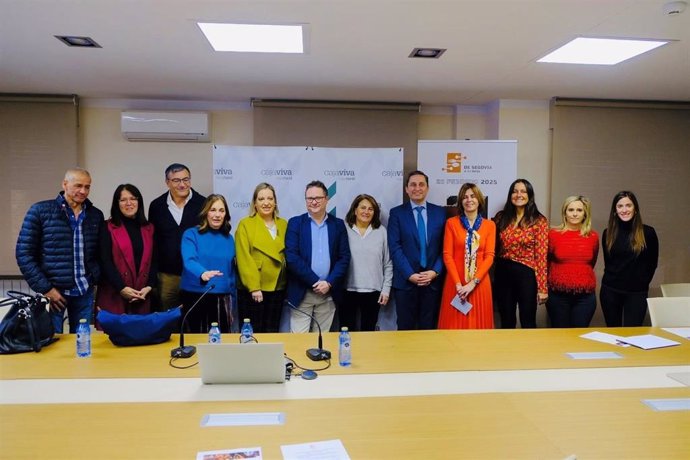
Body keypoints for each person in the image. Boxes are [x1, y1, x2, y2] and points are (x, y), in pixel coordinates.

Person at [15, 168, 104, 333]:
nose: (83, 191)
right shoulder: (40, 211)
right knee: (52, 342)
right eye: (78, 185)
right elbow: (24, 254)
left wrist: (95, 278)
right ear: (64, 184)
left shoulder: (95, 215)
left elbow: (99, 252)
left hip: (84, 291)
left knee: (82, 343)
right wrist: (46, 288)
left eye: (87, 187)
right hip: (53, 292)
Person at [285, 181, 350, 333]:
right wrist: (315, 282)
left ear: (327, 199)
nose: (314, 202)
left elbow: (344, 258)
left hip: (328, 293)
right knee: (299, 341)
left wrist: (329, 283)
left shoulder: (338, 225)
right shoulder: (295, 223)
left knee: (322, 341)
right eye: (310, 198)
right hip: (302, 293)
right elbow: (292, 258)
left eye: (318, 198)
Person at [387, 170, 445, 330]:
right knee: (405, 329)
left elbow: (444, 247)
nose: (417, 188)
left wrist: (435, 271)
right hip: (406, 283)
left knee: (429, 329)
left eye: (421, 184)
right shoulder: (396, 213)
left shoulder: (440, 213)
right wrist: (409, 274)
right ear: (406, 189)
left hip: (432, 283)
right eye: (413, 184)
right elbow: (395, 247)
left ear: (427, 188)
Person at [148, 163, 206, 310]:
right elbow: (153, 242)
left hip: (196, 274)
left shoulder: (203, 203)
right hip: (167, 276)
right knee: (168, 319)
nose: (182, 184)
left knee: (195, 318)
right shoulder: (156, 206)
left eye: (186, 179)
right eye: (176, 180)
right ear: (167, 182)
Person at [438, 183, 496, 329]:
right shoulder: (451, 223)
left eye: (472, 196)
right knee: (453, 327)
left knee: (479, 327)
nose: (469, 200)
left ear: (479, 200)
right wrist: (459, 284)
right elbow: (447, 255)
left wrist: (472, 284)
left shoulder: (490, 225)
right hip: (455, 284)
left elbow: (489, 256)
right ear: (460, 201)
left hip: (479, 284)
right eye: (465, 197)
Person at [493, 178, 548, 329]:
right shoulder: (501, 217)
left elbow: (541, 255)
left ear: (529, 195)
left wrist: (543, 288)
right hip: (503, 272)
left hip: (526, 274)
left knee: (528, 320)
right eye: (515, 191)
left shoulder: (539, 220)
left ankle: (528, 352)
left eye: (523, 191)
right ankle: (507, 352)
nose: (519, 194)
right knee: (506, 320)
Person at [96, 184, 157, 320]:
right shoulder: (107, 227)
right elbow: (105, 261)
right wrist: (122, 288)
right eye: (123, 200)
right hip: (115, 292)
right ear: (116, 203)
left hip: (142, 294)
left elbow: (154, 260)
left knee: (141, 335)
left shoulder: (149, 228)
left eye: (133, 198)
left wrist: (149, 286)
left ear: (139, 201)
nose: (129, 203)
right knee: (112, 337)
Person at [600, 191, 658, 327]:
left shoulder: (648, 233)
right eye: (620, 206)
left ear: (635, 209)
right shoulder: (607, 233)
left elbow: (652, 264)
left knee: (633, 334)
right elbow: (609, 263)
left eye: (628, 205)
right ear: (615, 210)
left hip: (636, 293)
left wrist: (641, 282)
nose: (624, 210)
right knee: (613, 333)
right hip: (610, 291)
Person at [235, 183, 287, 333]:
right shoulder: (246, 224)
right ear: (255, 203)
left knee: (272, 331)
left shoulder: (283, 224)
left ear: (275, 202)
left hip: (278, 287)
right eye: (261, 198)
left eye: (270, 198)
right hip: (253, 289)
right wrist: (254, 287)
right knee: (252, 332)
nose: (266, 202)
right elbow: (244, 258)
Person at [179, 194, 236, 333]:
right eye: (213, 210)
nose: (217, 215)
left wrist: (232, 302)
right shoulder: (191, 234)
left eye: (221, 211)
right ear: (205, 212)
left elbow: (231, 272)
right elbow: (189, 260)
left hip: (223, 299)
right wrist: (202, 273)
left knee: (221, 342)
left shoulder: (229, 239)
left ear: (225, 215)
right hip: (196, 295)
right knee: (196, 340)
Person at [342, 194, 393, 331]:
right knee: (347, 333)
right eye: (363, 207)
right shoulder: (344, 229)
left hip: (373, 291)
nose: (366, 211)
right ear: (355, 210)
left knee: (368, 333)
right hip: (347, 290)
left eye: (371, 209)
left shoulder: (382, 232)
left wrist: (386, 289)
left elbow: (387, 263)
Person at [547, 196, 599, 328]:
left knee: (579, 336)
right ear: (564, 212)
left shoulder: (593, 236)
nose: (575, 213)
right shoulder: (553, 234)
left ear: (585, 213)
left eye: (579, 210)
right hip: (558, 296)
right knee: (559, 336)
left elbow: (591, 262)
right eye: (571, 210)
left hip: (585, 297)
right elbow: (546, 262)